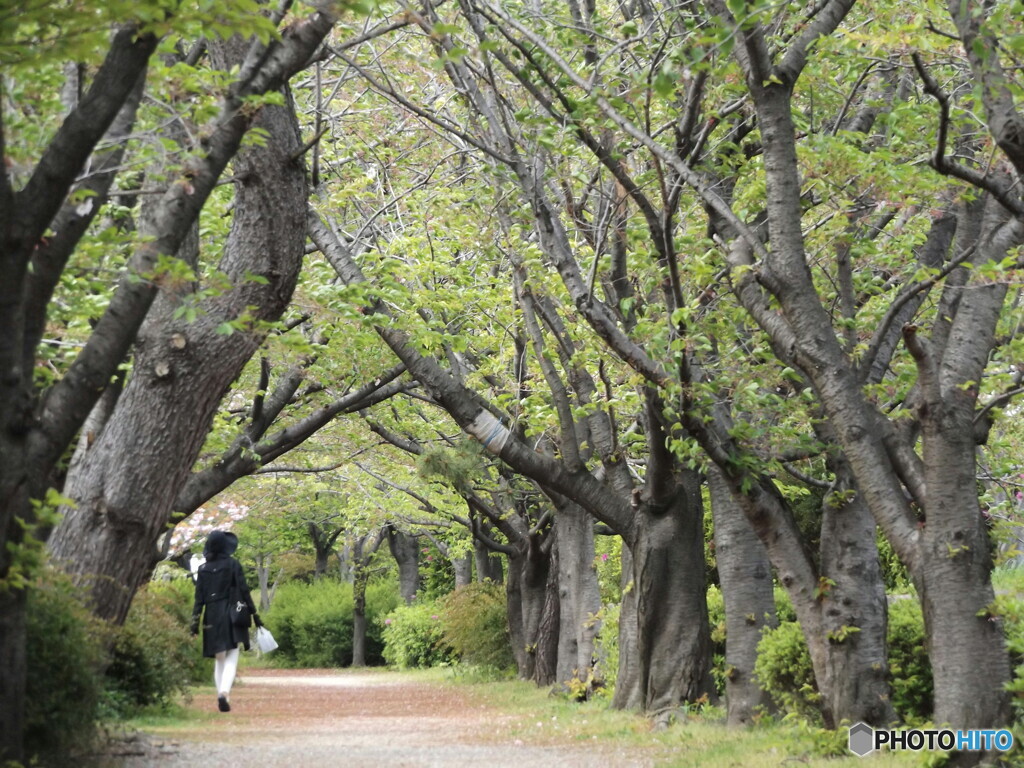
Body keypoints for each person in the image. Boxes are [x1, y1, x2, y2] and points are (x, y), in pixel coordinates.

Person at [190, 530, 262, 712]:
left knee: (219, 657)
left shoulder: (203, 570)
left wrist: (194, 624)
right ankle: (224, 692)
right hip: (231, 612)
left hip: (211, 614)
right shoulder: (232, 565)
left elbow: (199, 599)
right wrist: (255, 614)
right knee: (232, 653)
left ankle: (220, 694)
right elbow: (244, 591)